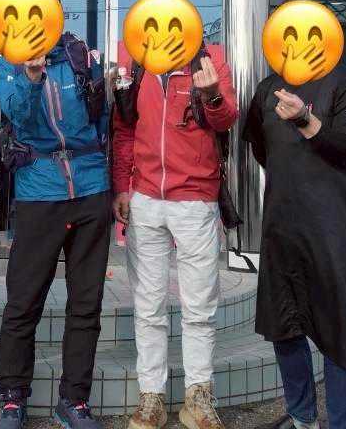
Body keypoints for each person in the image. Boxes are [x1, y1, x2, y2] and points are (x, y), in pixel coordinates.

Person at [242, 54, 346, 429]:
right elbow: (261, 148)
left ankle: (343, 423)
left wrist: (306, 120)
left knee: (338, 332)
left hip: (333, 227)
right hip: (282, 225)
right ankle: (301, 417)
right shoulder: (269, 88)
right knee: (283, 325)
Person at [111, 33, 238, 429]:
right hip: (145, 198)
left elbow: (227, 118)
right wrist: (121, 187)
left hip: (196, 199)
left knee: (199, 307)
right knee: (148, 305)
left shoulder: (210, 58)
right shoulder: (136, 62)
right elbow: (124, 129)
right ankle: (151, 394)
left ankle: (198, 396)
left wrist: (212, 93)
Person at [0, 24, 111, 429]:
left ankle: (74, 401)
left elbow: (102, 120)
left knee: (86, 303)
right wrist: (31, 76)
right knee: (23, 300)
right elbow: (19, 116)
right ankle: (11, 398)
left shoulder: (80, 57)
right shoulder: (5, 64)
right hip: (39, 192)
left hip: (91, 189)